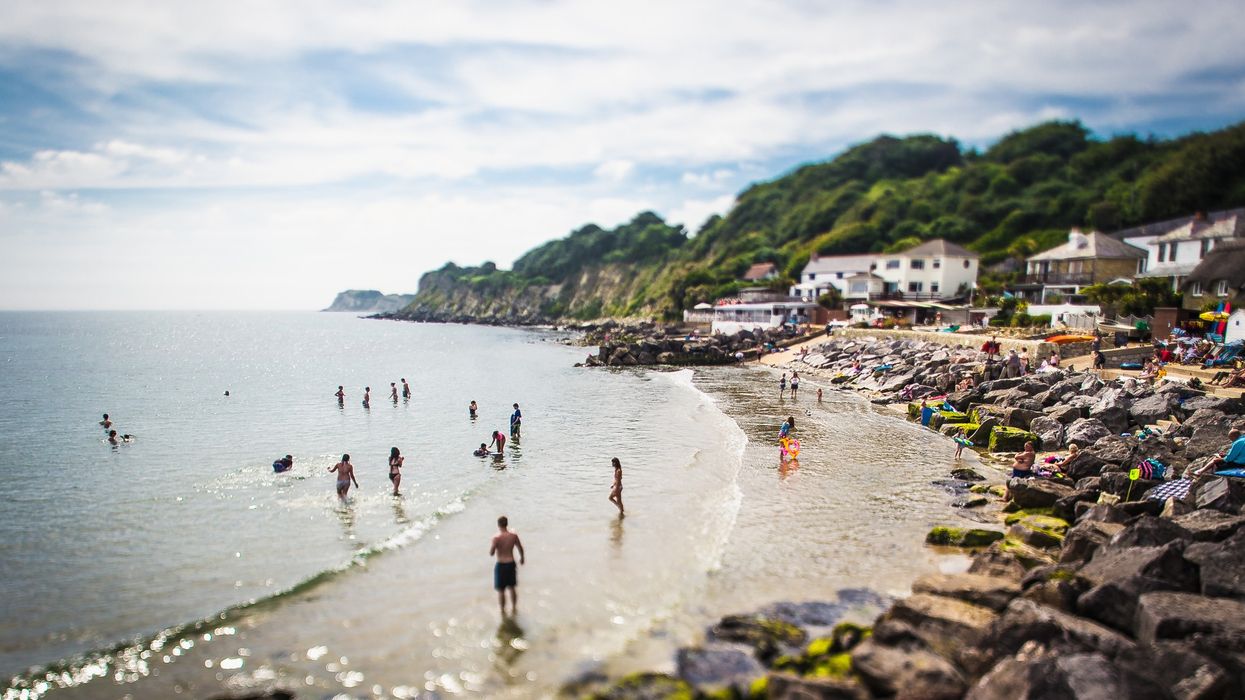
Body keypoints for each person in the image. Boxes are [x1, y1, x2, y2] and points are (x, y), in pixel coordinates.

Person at [490, 515, 525, 615]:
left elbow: (492, 553)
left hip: (501, 564)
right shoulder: (513, 536)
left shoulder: (496, 538)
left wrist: (495, 546)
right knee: (512, 587)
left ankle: (502, 610)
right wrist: (522, 558)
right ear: (507, 524)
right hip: (511, 563)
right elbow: (520, 548)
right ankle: (514, 608)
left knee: (501, 590)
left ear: (498, 525)